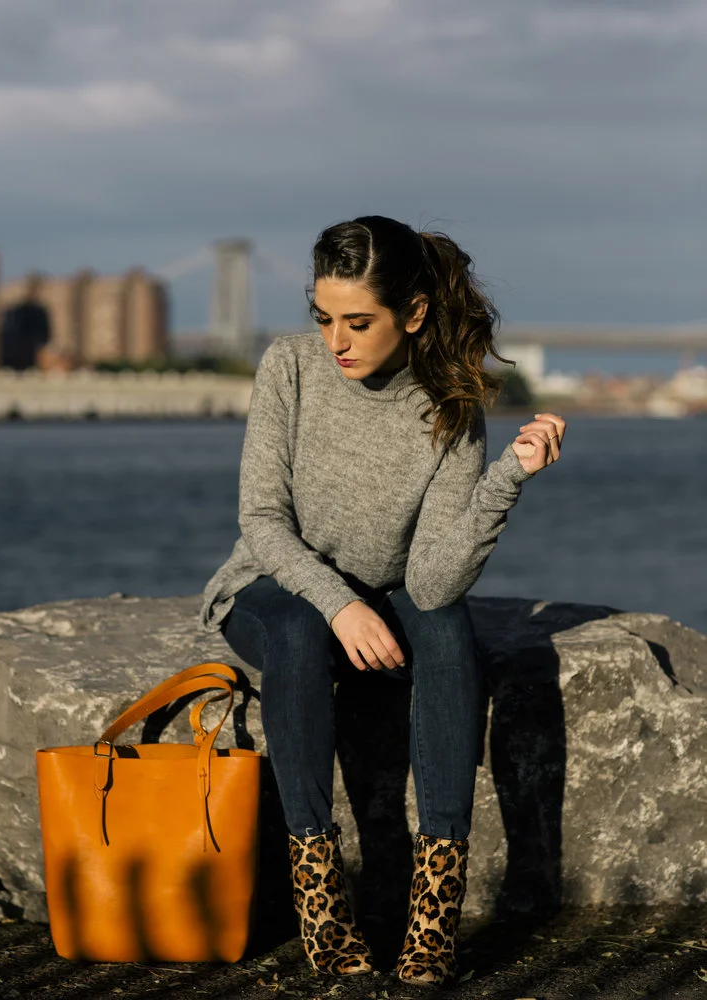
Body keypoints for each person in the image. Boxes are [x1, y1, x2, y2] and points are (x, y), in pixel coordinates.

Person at [199, 215, 565, 987]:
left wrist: (508, 480)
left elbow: (431, 581)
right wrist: (339, 604)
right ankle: (321, 896)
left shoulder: (450, 407)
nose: (338, 340)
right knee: (299, 632)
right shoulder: (289, 368)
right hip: (277, 587)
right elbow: (263, 521)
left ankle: (434, 909)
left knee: (445, 626)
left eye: (359, 322)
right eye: (324, 318)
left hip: (391, 592)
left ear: (416, 313)